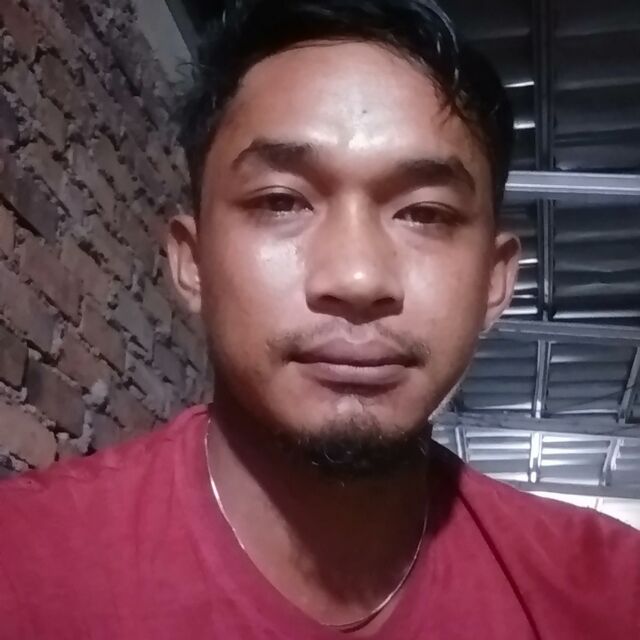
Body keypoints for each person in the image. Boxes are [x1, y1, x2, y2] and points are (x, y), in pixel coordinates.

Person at [1, 1, 638, 637]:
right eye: (281, 201)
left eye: (425, 213)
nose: (357, 279)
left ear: (495, 282)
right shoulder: (27, 569)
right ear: (192, 262)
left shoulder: (607, 597)